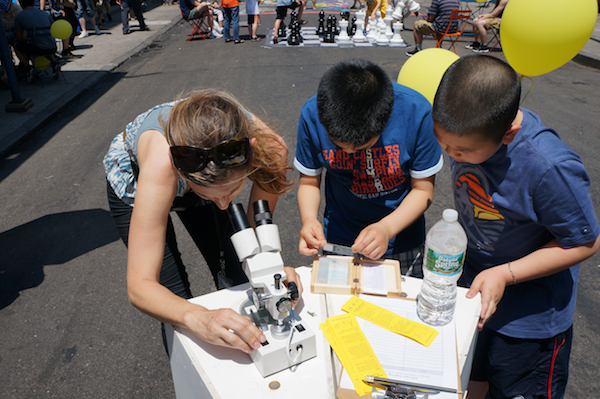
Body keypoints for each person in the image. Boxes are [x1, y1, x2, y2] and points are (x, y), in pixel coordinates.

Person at [432, 55, 600, 399]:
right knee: (468, 376)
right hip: (476, 296)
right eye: (443, 142)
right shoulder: (467, 130)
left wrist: (505, 273)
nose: (449, 153)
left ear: (508, 134)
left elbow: (585, 241)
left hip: (529, 321)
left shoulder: (549, 168)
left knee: (512, 387)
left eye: (461, 151)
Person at [103, 90, 302, 355]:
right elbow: (141, 286)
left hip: (201, 174)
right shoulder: (161, 168)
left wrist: (270, 272)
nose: (223, 205)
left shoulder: (271, 150)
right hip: (138, 178)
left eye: (232, 192)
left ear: (250, 151)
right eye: (212, 196)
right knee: (174, 299)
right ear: (184, 172)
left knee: (238, 272)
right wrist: (195, 317)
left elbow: (255, 238)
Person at [295, 59, 443, 276]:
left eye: (362, 147)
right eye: (338, 146)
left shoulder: (416, 112)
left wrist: (387, 228)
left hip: (401, 239)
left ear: (384, 123)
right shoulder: (311, 114)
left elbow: (423, 190)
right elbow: (309, 181)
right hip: (339, 238)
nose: (349, 154)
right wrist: (309, 220)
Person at [13, 0, 59, 79]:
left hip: (37, 49)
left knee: (17, 45)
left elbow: (19, 37)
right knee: (43, 41)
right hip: (52, 47)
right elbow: (54, 28)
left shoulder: (19, 16)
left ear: (20, 4)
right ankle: (54, 62)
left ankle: (27, 67)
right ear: (34, 3)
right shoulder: (44, 13)